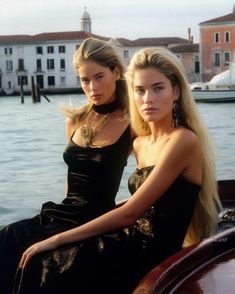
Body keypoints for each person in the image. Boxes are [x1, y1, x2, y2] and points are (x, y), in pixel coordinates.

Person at [14, 47, 221, 294]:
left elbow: (131, 213)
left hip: (149, 252)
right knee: (23, 249)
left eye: (158, 88)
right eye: (140, 90)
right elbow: (129, 198)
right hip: (126, 239)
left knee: (49, 264)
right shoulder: (140, 143)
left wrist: (57, 238)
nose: (148, 99)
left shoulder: (183, 140)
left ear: (175, 91)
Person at [0, 38, 132, 294]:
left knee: (41, 264)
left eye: (99, 77)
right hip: (61, 215)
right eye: (85, 80)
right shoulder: (76, 120)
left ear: (116, 72)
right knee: (7, 238)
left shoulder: (133, 122)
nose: (92, 87)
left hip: (95, 221)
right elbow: (72, 183)